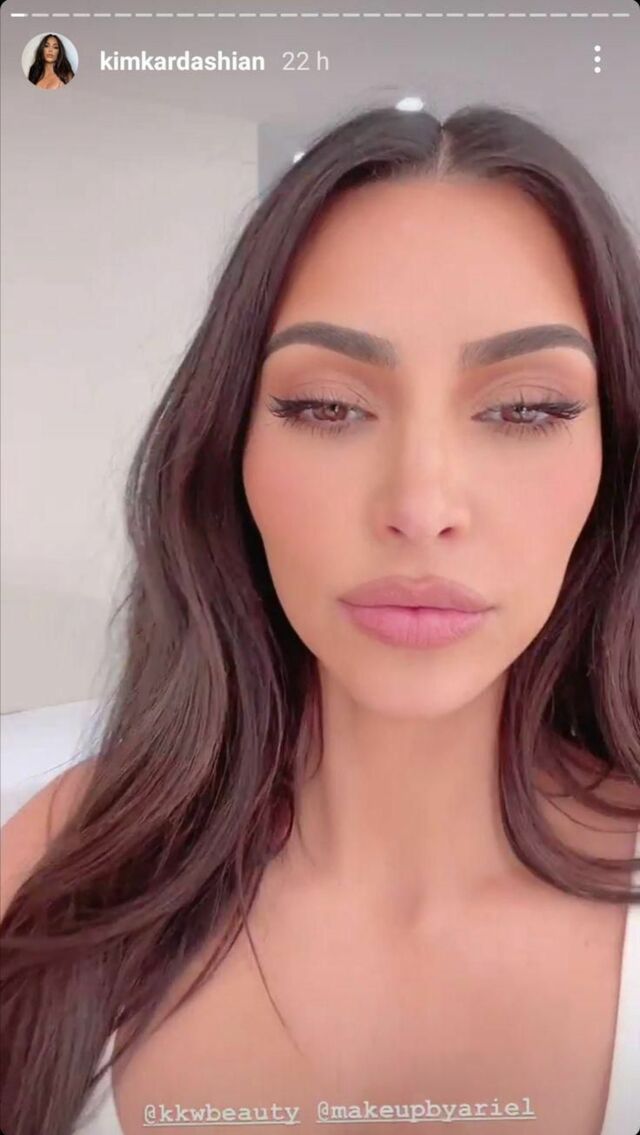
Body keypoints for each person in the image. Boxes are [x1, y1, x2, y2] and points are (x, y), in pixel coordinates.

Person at [1, 104, 639, 1135]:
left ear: (615, 461)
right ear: (229, 456)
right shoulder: (56, 867)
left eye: (526, 408)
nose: (421, 505)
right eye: (327, 407)